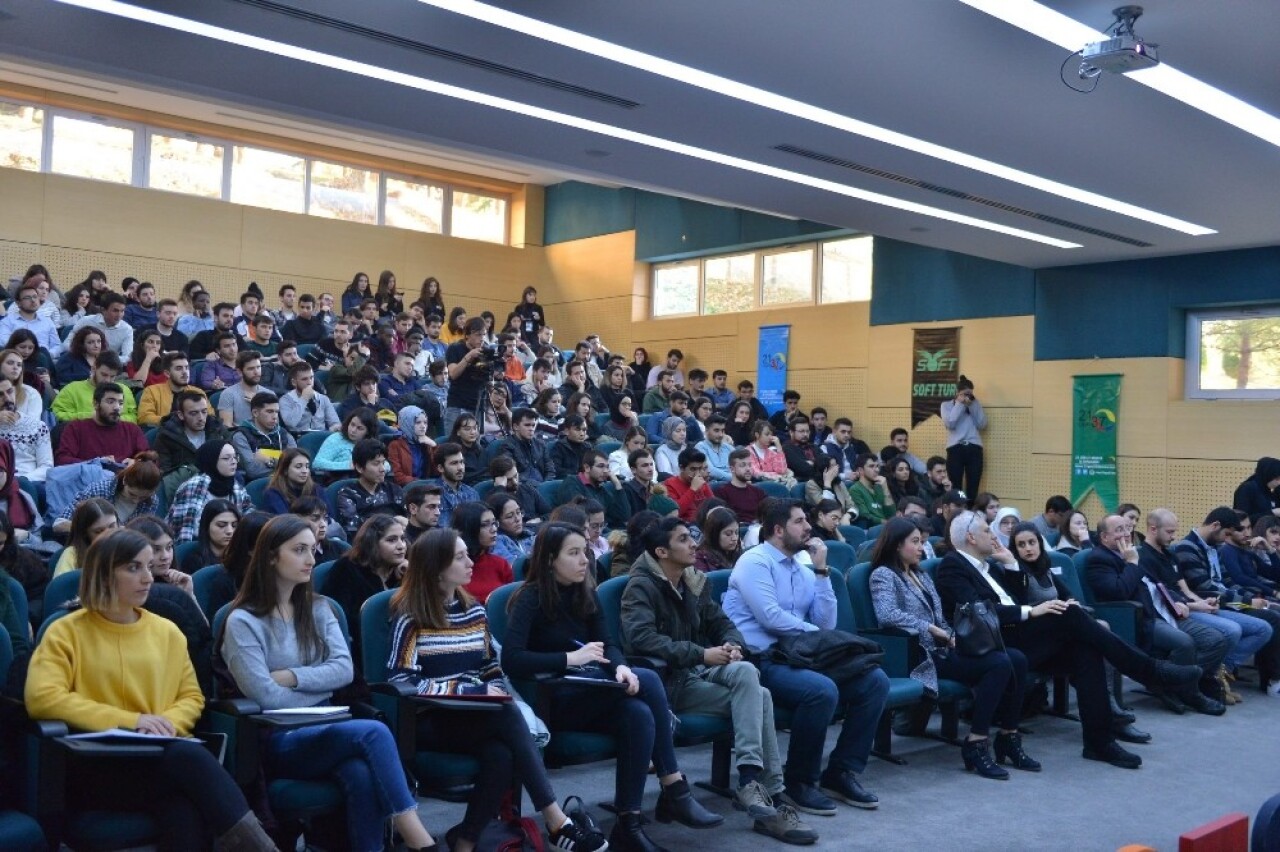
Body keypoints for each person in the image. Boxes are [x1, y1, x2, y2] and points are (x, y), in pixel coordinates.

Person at [26, 529, 276, 850]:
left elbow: (191, 696)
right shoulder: (66, 631)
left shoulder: (166, 630)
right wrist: (132, 721)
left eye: (148, 566)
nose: (147, 577)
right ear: (103, 572)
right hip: (95, 767)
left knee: (184, 808)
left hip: (160, 761)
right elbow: (42, 698)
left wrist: (168, 723)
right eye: (133, 568)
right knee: (188, 761)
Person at [221, 515, 439, 852]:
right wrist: (317, 685)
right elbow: (264, 696)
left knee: (360, 774)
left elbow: (343, 671)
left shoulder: (320, 609)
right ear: (270, 556)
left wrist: (292, 676)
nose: (311, 559)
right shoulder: (243, 621)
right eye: (299, 550)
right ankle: (421, 841)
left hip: (329, 727)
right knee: (372, 731)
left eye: (313, 549)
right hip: (278, 738)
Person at [502, 522, 721, 851]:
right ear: (549, 559)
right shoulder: (530, 598)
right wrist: (569, 658)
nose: (583, 561)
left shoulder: (584, 592)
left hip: (594, 690)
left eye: (585, 553)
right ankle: (674, 787)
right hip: (556, 699)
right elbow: (513, 660)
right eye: (573, 554)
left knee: (638, 713)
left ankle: (628, 824)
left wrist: (620, 667)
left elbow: (609, 643)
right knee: (646, 677)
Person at [939, 510, 1202, 768]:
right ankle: (1149, 670)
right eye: (987, 529)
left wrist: (1010, 564)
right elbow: (978, 612)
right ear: (971, 538)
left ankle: (1099, 742)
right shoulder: (953, 565)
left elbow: (1015, 600)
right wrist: (1032, 610)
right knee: (1069, 613)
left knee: (1085, 651)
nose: (993, 534)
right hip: (992, 644)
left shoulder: (991, 566)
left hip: (1017, 637)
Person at [621, 516, 815, 844]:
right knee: (762, 697)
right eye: (683, 539)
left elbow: (722, 622)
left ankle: (752, 784)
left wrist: (732, 645)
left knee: (747, 673)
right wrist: (701, 654)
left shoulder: (693, 581)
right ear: (661, 552)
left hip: (697, 674)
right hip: (667, 685)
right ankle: (769, 795)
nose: (693, 544)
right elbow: (641, 640)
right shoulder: (639, 586)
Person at [722, 500, 890, 815]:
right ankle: (799, 782)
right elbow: (771, 617)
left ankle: (841, 772)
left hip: (801, 654)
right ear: (777, 529)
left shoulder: (802, 566)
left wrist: (823, 571)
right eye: (799, 521)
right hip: (763, 659)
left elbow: (826, 625)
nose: (808, 527)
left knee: (874, 682)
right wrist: (812, 632)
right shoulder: (754, 561)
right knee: (821, 690)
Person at [870, 517, 1033, 780]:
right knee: (999, 663)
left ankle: (1008, 736)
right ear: (896, 545)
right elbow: (887, 614)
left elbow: (941, 618)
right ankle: (977, 743)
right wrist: (931, 629)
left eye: (922, 541)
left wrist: (953, 635)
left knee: (1016, 658)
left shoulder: (921, 574)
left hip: (943, 649)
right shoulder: (883, 575)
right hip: (918, 654)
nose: (922, 547)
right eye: (915, 542)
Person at [323, 513, 408, 667]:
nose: (401, 545)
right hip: (360, 656)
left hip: (402, 650)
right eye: (391, 540)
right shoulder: (346, 570)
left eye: (402, 538)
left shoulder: (401, 571)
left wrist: (409, 577)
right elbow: (342, 623)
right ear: (372, 543)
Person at [167, 441, 253, 543]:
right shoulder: (194, 486)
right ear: (211, 461)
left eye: (235, 457)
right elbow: (185, 530)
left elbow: (248, 515)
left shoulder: (236, 486)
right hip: (198, 545)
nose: (233, 462)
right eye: (226, 458)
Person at [334, 438, 405, 537]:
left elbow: (407, 520)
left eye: (383, 463)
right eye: (376, 464)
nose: (382, 469)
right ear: (359, 467)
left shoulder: (394, 490)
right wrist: (394, 521)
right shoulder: (348, 494)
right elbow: (353, 526)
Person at [450, 500, 513, 603]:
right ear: (469, 529)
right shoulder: (452, 568)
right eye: (485, 525)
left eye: (494, 523)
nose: (494, 529)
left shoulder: (500, 564)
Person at [52, 351, 140, 424]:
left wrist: (110, 418)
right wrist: (91, 416)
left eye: (112, 376)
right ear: (94, 369)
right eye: (104, 375)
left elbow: (133, 417)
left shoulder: (124, 389)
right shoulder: (72, 389)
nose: (108, 380)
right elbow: (56, 414)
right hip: (83, 435)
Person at [231, 391, 296, 481]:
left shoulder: (284, 434)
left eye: (277, 412)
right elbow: (252, 470)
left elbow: (296, 464)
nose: (275, 416)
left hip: (286, 484)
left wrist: (269, 460)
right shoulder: (241, 436)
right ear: (255, 413)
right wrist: (284, 463)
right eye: (269, 411)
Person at [940, 375, 986, 496]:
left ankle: (970, 512)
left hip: (974, 447)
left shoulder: (974, 404)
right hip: (955, 448)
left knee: (973, 485)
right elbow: (950, 424)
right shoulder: (946, 405)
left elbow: (982, 424)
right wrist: (959, 404)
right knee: (956, 485)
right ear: (957, 393)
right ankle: (958, 510)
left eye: (970, 394)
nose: (967, 397)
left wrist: (972, 405)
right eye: (964, 394)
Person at [0, 375, 53, 481]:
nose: (7, 398)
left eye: (10, 392)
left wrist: (22, 480)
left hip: (30, 481)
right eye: (0, 395)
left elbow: (46, 467)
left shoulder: (37, 426)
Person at [52, 497, 119, 577]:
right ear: (85, 533)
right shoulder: (72, 555)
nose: (108, 535)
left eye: (112, 526)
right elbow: (61, 587)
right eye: (99, 531)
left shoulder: (127, 546)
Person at [138, 352, 205, 428]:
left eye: (186, 368)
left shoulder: (198, 392)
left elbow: (210, 415)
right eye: (179, 368)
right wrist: (169, 421)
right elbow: (144, 417)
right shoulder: (152, 391)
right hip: (165, 434)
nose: (185, 372)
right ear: (167, 373)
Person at [487, 408, 553, 484]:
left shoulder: (541, 445)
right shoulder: (507, 446)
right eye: (527, 425)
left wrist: (546, 485)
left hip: (542, 486)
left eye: (533, 425)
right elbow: (511, 473)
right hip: (522, 488)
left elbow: (550, 469)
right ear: (515, 427)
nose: (531, 429)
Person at [179, 499, 239, 575]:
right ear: (206, 526)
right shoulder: (194, 562)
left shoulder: (242, 558)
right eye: (221, 525)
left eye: (235, 526)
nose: (230, 531)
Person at [427, 442, 480, 528]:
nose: (460, 468)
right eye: (454, 463)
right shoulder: (432, 495)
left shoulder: (472, 493)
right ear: (440, 468)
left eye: (462, 462)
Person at [314, 407, 379, 475]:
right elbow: (318, 463)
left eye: (359, 428)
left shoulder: (371, 444)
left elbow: (385, 465)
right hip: (337, 479)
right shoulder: (336, 439)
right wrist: (348, 465)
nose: (353, 430)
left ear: (368, 432)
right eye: (352, 424)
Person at [715, 448, 768, 525]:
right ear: (732, 469)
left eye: (749, 465)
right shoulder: (722, 493)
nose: (748, 469)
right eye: (742, 465)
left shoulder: (758, 492)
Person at [386, 404, 436, 485]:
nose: (423, 426)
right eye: (418, 422)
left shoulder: (427, 443)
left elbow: (439, 471)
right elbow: (397, 476)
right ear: (407, 423)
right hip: (407, 490)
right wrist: (420, 483)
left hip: (428, 488)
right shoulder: (395, 445)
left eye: (425, 422)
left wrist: (434, 447)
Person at [662, 448, 714, 523]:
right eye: (693, 469)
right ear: (681, 468)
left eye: (700, 469)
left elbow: (713, 504)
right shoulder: (669, 485)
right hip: (684, 526)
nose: (697, 474)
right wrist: (692, 490)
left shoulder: (701, 481)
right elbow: (675, 513)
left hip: (704, 524)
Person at [804, 454, 855, 524]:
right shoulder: (811, 485)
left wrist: (848, 516)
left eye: (836, 464)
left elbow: (852, 505)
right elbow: (826, 508)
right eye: (833, 466)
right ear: (824, 469)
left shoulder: (838, 483)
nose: (837, 467)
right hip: (823, 525)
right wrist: (827, 483)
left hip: (843, 522)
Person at [847, 453, 894, 529]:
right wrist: (887, 523)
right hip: (872, 530)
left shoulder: (880, 487)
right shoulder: (855, 489)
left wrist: (885, 489)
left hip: (887, 528)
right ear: (860, 470)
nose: (877, 470)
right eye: (872, 466)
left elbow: (891, 514)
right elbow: (865, 515)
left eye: (877, 466)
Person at [487, 491, 534, 564]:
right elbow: (514, 568)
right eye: (510, 516)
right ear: (497, 522)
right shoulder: (497, 542)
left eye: (518, 512)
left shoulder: (530, 535)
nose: (517, 519)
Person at [693, 505, 742, 572]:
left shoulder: (740, 555)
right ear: (714, 534)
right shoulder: (700, 559)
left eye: (736, 533)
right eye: (728, 534)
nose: (734, 538)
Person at [1234, 457, 1280, 525]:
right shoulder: (1247, 488)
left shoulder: (1267, 491)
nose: (1279, 482)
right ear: (1267, 475)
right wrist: (1272, 513)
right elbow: (1242, 519)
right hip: (1249, 534)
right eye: (1277, 479)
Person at [747, 421, 794, 488]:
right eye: (767, 434)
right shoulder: (748, 452)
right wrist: (776, 476)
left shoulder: (772, 452)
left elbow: (782, 471)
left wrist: (779, 449)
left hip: (777, 484)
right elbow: (756, 473)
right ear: (757, 435)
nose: (770, 437)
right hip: (759, 485)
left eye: (771, 435)